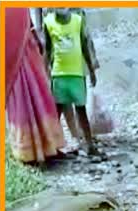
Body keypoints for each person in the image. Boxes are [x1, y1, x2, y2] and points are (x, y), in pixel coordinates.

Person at [5, 8, 66, 164]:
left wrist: (36, 34)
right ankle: (29, 151)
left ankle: (49, 146)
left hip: (27, 44)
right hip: (11, 51)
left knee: (39, 92)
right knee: (23, 94)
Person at [33, 7, 100, 144]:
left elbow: (84, 45)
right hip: (58, 60)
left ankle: (81, 138)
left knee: (78, 105)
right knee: (61, 105)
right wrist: (39, 28)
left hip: (73, 27)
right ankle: (71, 136)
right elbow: (47, 49)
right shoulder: (49, 22)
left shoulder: (78, 20)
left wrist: (92, 67)